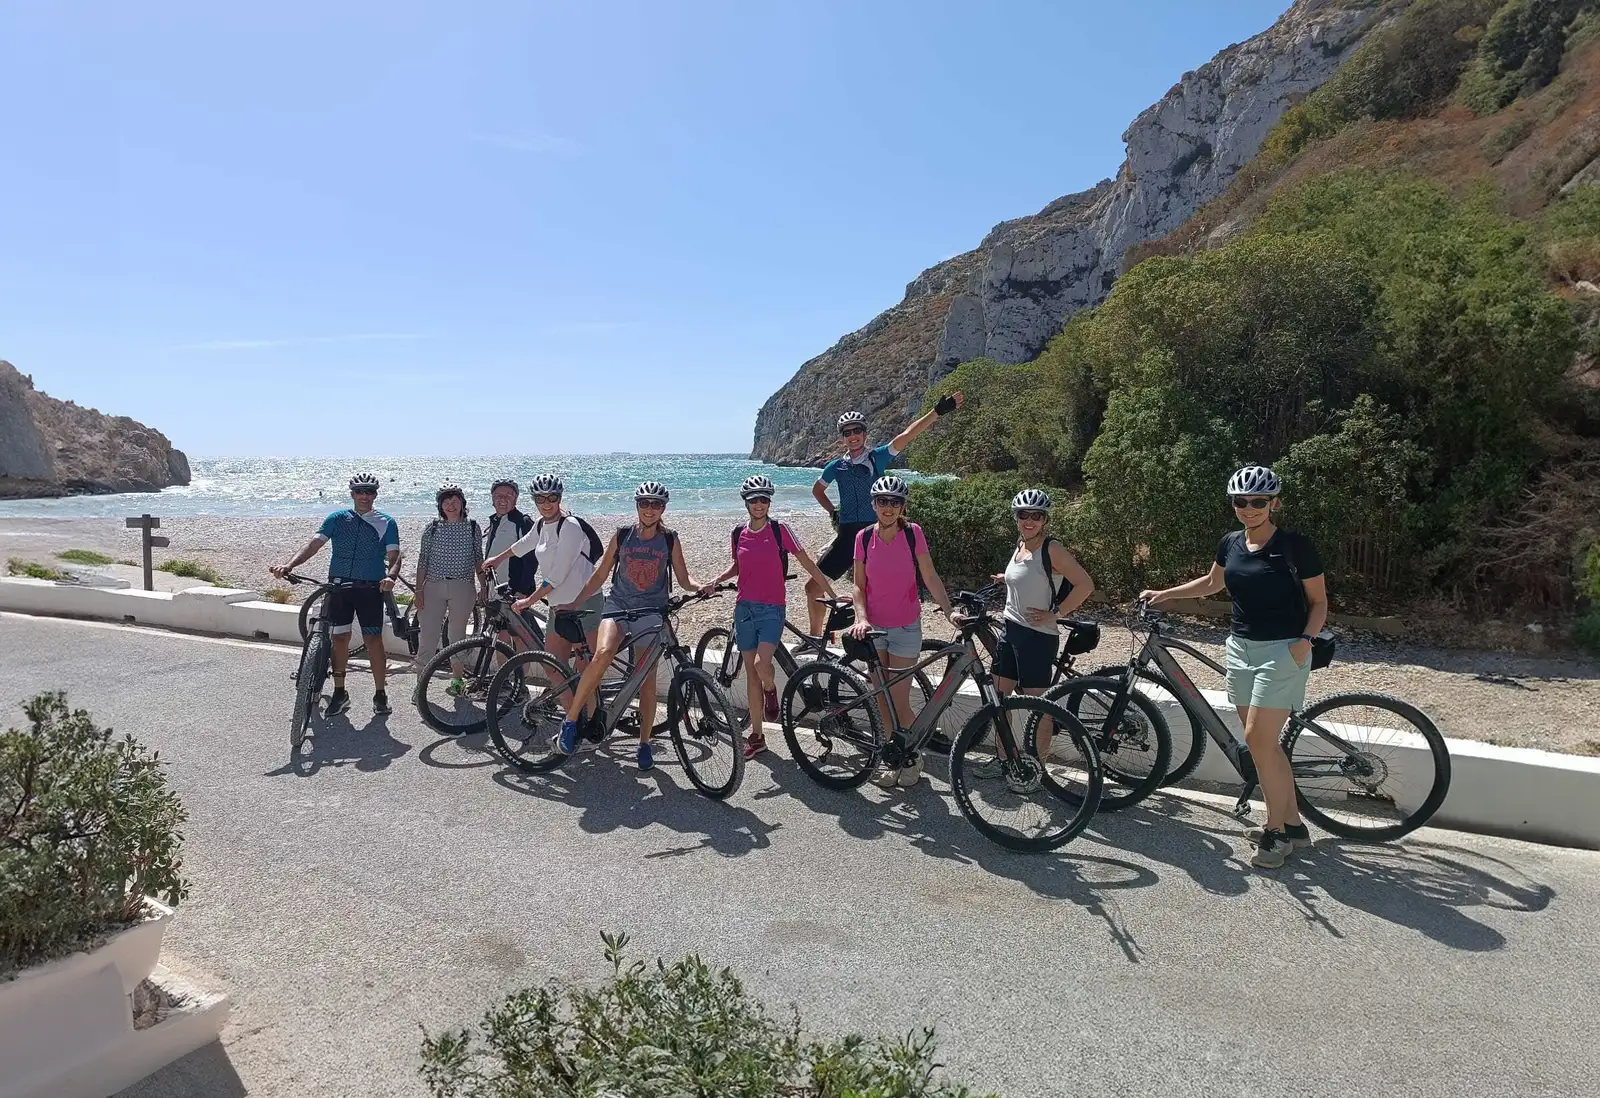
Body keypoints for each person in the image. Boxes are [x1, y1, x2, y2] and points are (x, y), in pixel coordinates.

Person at [1140, 465, 1329, 869]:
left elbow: (1320, 602)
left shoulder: (1296, 546)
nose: (1249, 508)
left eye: (1258, 502)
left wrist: (1304, 642)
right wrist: (1165, 594)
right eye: (1241, 501)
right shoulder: (1230, 543)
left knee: (1258, 740)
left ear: (1274, 503)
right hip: (1240, 649)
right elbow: (1212, 583)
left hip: (1283, 651)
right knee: (1263, 746)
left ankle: (1275, 832)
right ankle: (1294, 826)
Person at [552, 481, 714, 771]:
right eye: (644, 503)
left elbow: (685, 578)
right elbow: (601, 575)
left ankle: (644, 743)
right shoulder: (623, 535)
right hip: (618, 607)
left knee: (646, 679)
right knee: (602, 655)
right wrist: (575, 602)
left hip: (651, 612)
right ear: (637, 506)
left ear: (663, 508)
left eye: (656, 504)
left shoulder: (669, 539)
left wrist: (701, 587)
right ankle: (571, 721)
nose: (649, 509)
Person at [806, 393, 964, 637]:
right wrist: (833, 512)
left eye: (857, 430)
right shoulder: (836, 466)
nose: (852, 436)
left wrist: (936, 412)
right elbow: (817, 490)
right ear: (843, 437)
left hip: (876, 534)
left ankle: (878, 642)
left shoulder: (875, 457)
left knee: (877, 594)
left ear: (865, 433)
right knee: (812, 588)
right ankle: (816, 638)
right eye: (847, 432)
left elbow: (907, 436)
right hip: (848, 535)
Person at [703, 474, 837, 759]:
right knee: (750, 672)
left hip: (772, 609)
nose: (759, 504)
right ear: (746, 503)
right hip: (744, 608)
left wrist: (832, 593)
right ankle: (757, 736)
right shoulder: (739, 532)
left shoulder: (780, 530)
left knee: (762, 663)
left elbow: (808, 562)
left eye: (764, 499)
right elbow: (736, 567)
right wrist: (716, 579)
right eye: (754, 500)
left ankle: (771, 689)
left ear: (769, 502)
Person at [973, 488, 1095, 777]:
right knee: (1000, 701)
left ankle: (1037, 767)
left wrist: (1056, 613)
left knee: (1038, 708)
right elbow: (1029, 578)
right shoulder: (1020, 545)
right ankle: (1005, 760)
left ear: (1045, 520)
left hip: (1037, 638)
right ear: (1016, 518)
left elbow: (1085, 585)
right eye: (1023, 515)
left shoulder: (1052, 549)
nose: (1029, 521)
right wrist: (1008, 580)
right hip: (1010, 631)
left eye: (1036, 516)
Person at [844, 474, 954, 789]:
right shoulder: (864, 537)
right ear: (874, 504)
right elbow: (857, 584)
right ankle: (893, 756)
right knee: (882, 699)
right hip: (874, 630)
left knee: (898, 697)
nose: (888, 507)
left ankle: (912, 754)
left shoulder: (912, 534)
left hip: (906, 626)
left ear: (902, 506)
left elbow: (929, 575)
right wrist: (860, 617)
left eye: (894, 502)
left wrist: (948, 611)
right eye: (882, 501)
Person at [271, 472, 401, 717]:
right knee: (339, 639)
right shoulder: (337, 519)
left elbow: (395, 557)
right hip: (339, 587)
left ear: (376, 495)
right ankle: (340, 692)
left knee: (373, 640)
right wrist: (289, 565)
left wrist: (390, 577)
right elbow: (314, 545)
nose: (365, 496)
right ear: (352, 494)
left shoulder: (387, 522)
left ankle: (380, 693)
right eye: (359, 491)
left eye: (369, 492)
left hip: (370, 588)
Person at [482, 473, 606, 715]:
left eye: (552, 497)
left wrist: (530, 600)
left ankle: (592, 720)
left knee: (586, 668)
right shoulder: (541, 524)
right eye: (541, 498)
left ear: (560, 498)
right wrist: (497, 559)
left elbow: (558, 573)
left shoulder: (569, 526)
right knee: (552, 666)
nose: (546, 503)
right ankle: (574, 716)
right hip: (559, 605)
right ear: (534, 500)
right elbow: (523, 545)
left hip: (584, 603)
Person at [413, 483, 484, 699]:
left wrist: (484, 585)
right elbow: (422, 560)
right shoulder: (432, 528)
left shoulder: (472, 527)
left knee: (457, 636)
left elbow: (478, 559)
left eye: (455, 501)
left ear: (462, 503)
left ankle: (456, 680)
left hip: (463, 586)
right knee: (428, 637)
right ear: (440, 506)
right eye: (446, 502)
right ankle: (420, 685)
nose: (451, 506)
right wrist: (418, 590)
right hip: (433, 586)